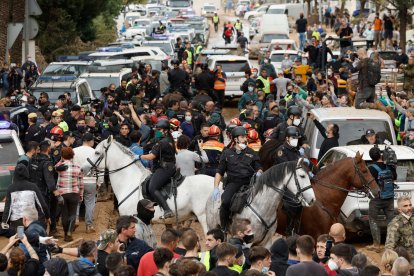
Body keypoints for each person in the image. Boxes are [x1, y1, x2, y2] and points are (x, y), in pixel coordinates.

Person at [212, 126, 262, 229]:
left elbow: (259, 168)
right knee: (225, 202)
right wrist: (216, 187)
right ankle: (224, 227)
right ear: (235, 139)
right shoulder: (227, 153)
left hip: (250, 183)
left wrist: (259, 173)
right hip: (233, 183)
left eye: (246, 137)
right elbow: (219, 172)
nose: (245, 139)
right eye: (242, 137)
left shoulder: (251, 152)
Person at [140, 119, 176, 219]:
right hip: (169, 166)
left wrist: (139, 157)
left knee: (152, 187)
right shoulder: (169, 139)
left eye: (159, 129)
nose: (157, 131)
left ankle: (167, 210)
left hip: (165, 168)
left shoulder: (163, 142)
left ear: (166, 130)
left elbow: (151, 156)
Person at [366, 146, 397, 252]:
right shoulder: (390, 166)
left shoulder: (371, 168)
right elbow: (395, 177)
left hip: (377, 199)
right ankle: (391, 244)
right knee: (391, 221)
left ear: (371, 157)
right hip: (389, 197)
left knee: (373, 220)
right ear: (380, 154)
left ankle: (376, 245)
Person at [1, 163, 49, 230]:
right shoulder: (33, 186)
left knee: (20, 238)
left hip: (17, 223)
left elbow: (8, 208)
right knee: (31, 238)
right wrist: (47, 217)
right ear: (26, 173)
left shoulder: (10, 188)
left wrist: (4, 222)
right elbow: (42, 205)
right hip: (31, 221)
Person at [54, 147, 84, 242]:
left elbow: (54, 167)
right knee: (73, 214)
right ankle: (69, 233)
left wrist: (61, 159)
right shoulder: (78, 167)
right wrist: (81, 194)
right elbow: (81, 183)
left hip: (62, 193)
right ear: (72, 156)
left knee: (64, 214)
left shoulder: (60, 167)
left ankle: (66, 233)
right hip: (74, 193)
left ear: (62, 156)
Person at [73, 133, 97, 233]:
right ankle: (89, 225)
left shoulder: (74, 151)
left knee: (77, 202)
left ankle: (76, 219)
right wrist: (99, 182)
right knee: (90, 203)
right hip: (90, 180)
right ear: (90, 141)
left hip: (77, 179)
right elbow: (99, 167)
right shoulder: (95, 152)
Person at [385, 196, 414, 266]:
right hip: (406, 264)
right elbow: (389, 247)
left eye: (410, 205)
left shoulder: (412, 219)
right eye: (405, 206)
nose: (409, 208)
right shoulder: (395, 224)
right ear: (400, 210)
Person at [20, 208, 49, 274]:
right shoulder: (40, 226)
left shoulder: (31, 230)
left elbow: (25, 253)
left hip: (38, 267)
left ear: (24, 219)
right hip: (44, 263)